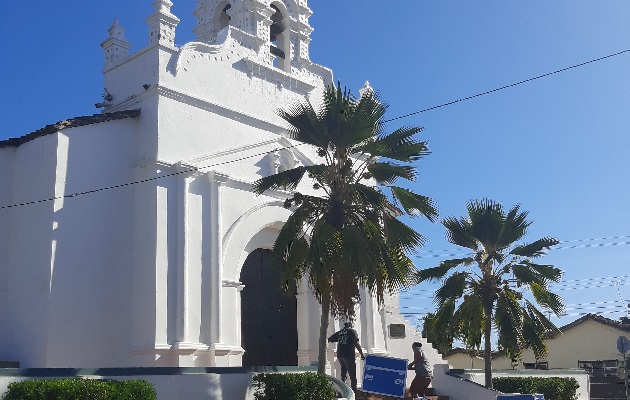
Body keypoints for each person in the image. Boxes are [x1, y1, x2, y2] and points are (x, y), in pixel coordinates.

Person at [328, 321, 365, 393]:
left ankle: (343, 389)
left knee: (343, 371)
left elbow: (329, 339)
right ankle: (354, 390)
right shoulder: (352, 331)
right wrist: (362, 354)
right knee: (352, 373)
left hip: (340, 355)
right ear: (350, 326)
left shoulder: (340, 332)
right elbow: (356, 343)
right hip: (348, 354)